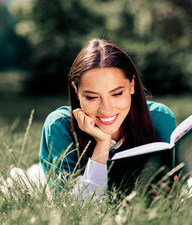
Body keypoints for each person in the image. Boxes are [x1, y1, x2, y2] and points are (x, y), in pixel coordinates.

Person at [39, 39, 176, 199]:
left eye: (117, 94)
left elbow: (179, 186)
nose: (106, 109)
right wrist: (102, 143)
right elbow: (73, 207)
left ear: (132, 84)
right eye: (91, 97)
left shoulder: (160, 118)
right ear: (76, 91)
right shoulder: (59, 126)